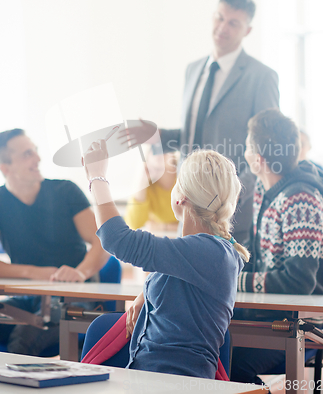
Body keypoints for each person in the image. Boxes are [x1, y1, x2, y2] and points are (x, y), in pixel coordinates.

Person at [119, 0, 279, 245]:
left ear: (247, 30)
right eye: (220, 18)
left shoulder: (262, 77)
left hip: (230, 212)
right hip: (189, 204)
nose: (222, 27)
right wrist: (157, 137)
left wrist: (231, 195)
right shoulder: (193, 70)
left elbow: (266, 147)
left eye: (233, 23)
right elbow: (194, 136)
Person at [84, 142, 249, 378]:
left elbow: (116, 239)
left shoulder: (208, 251)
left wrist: (97, 177)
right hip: (149, 377)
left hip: (170, 381)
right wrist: (147, 292)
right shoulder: (212, 250)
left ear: (181, 197)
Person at [230, 109, 323, 385]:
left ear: (259, 159)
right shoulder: (267, 192)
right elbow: (255, 255)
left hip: (294, 326)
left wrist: (236, 280)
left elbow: (298, 283)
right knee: (205, 347)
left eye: (248, 146)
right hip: (266, 315)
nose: (244, 152)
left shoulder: (301, 200)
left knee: (230, 364)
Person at [0, 128, 109, 355]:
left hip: (76, 298)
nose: (37, 159)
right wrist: (33, 272)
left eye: (36, 152)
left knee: (26, 334)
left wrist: (80, 272)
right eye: (27, 154)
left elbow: (103, 240)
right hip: (27, 297)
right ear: (5, 167)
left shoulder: (65, 191)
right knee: (25, 326)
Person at [125, 151, 178, 234]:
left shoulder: (185, 176)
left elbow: (199, 224)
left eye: (164, 148)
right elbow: (133, 225)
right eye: (153, 148)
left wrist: (163, 226)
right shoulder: (148, 186)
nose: (159, 152)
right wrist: (142, 182)